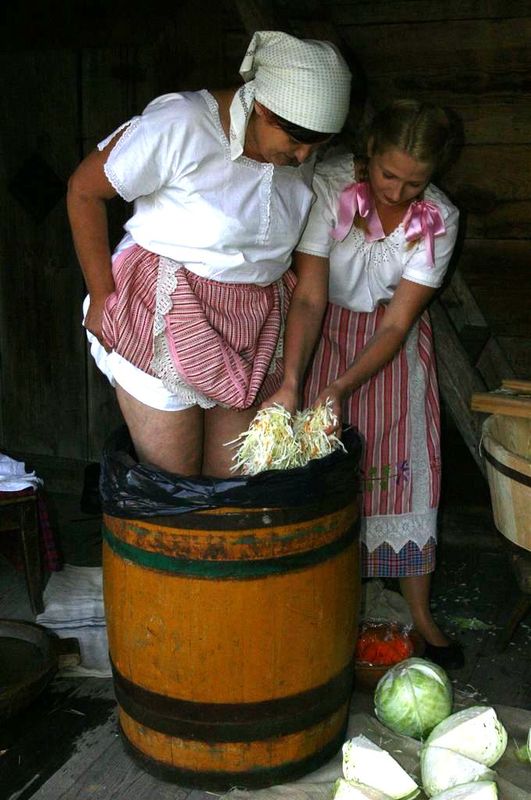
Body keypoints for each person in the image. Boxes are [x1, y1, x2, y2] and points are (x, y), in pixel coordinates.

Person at [67, 31, 351, 478]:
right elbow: (84, 190)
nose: (303, 157)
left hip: (251, 324)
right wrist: (102, 295)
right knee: (176, 483)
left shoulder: (299, 148)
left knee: (232, 485)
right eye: (297, 142)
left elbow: (307, 286)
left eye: (317, 147)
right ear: (263, 108)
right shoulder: (182, 123)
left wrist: (292, 379)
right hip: (164, 308)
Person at [296, 99, 464, 668]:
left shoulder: (439, 217)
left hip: (392, 345)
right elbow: (310, 295)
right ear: (369, 151)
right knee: (320, 473)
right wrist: (301, 379)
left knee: (407, 475)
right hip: (320, 330)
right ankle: (321, 604)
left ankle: (420, 616)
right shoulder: (329, 186)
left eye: (414, 183)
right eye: (388, 175)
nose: (397, 192)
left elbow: (396, 323)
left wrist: (343, 386)